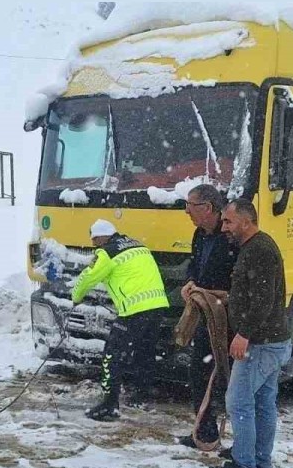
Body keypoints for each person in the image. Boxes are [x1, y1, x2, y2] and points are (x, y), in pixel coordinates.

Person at [210, 199, 292, 468]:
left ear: (246, 222)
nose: (224, 228)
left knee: (238, 401)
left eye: (228, 222)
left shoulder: (260, 250)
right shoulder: (254, 248)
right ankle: (259, 460)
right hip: (269, 339)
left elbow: (263, 300)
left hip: (260, 342)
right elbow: (253, 294)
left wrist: (243, 334)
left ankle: (243, 467)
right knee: (262, 401)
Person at [71, 219, 170, 421]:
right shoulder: (138, 245)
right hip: (157, 305)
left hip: (134, 310)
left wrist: (75, 297)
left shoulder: (107, 251)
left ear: (99, 237)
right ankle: (141, 394)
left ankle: (109, 404)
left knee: (112, 354)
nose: (95, 246)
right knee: (145, 351)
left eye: (94, 241)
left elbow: (89, 277)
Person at [176, 184, 239, 451]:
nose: (187, 211)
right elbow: (194, 263)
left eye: (191, 206)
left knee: (226, 376)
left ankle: (239, 441)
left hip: (228, 315)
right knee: (198, 371)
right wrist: (191, 282)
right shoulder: (199, 234)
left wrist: (221, 294)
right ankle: (204, 431)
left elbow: (239, 276)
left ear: (208, 208)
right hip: (204, 312)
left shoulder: (230, 237)